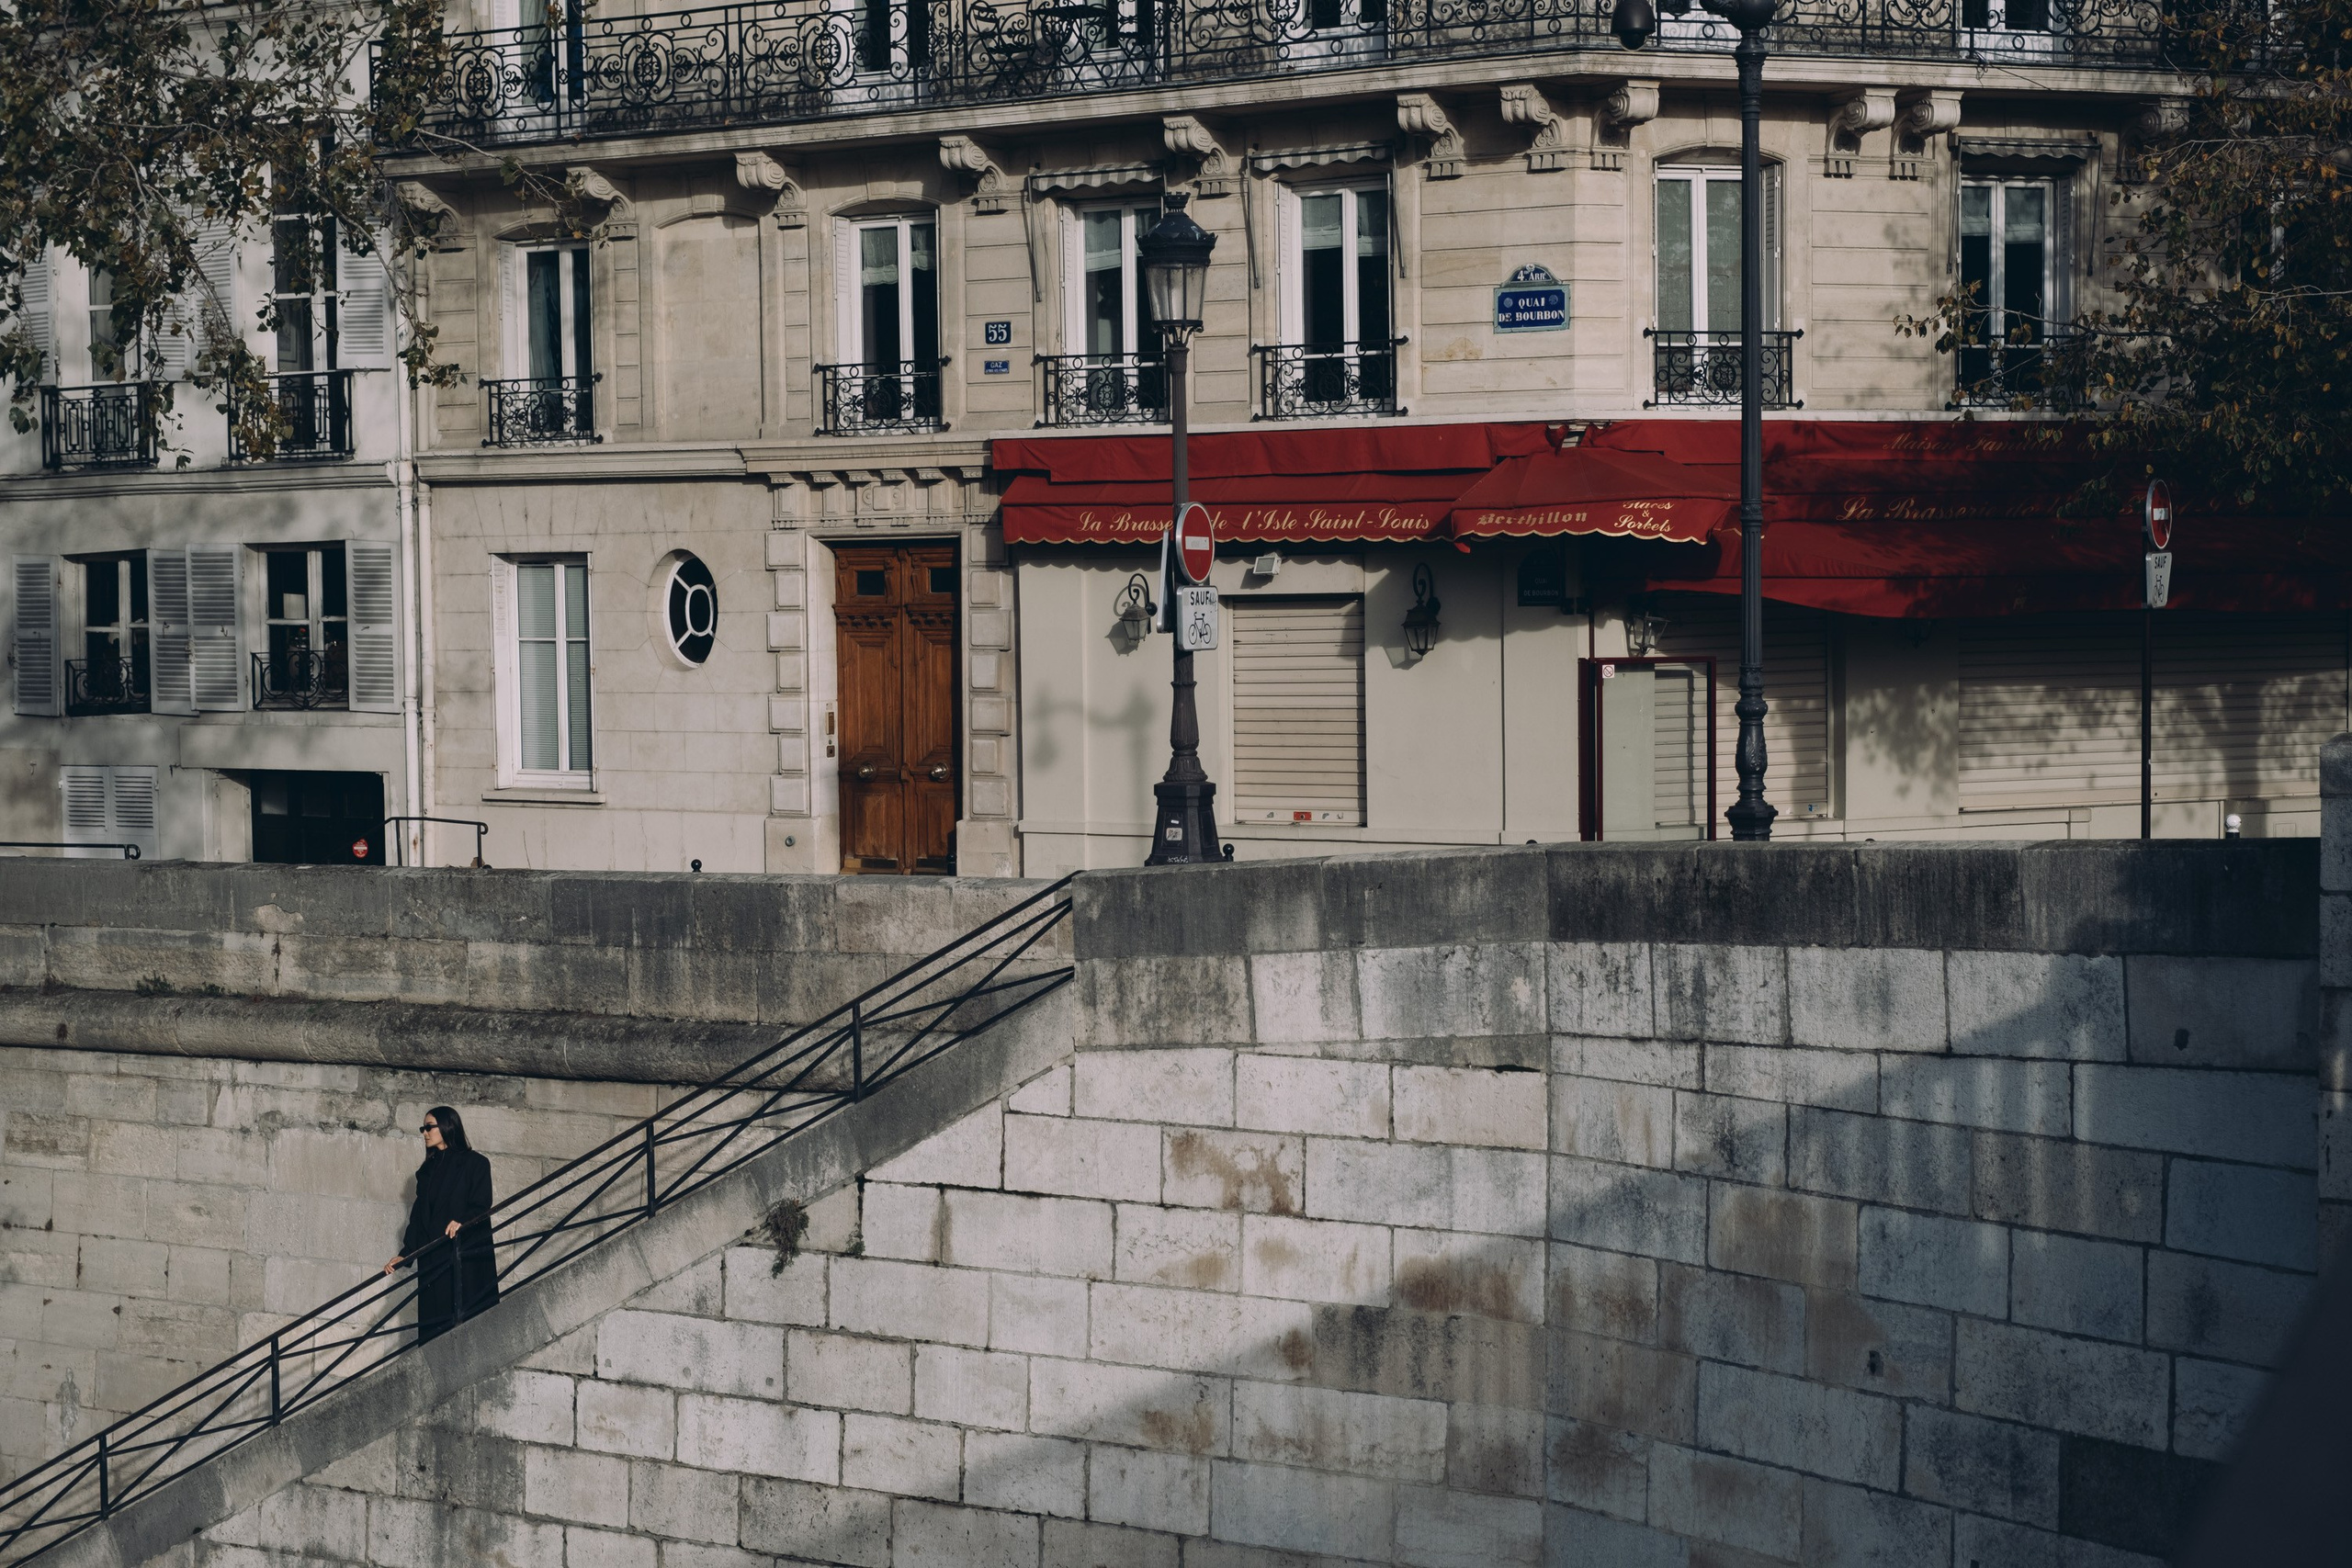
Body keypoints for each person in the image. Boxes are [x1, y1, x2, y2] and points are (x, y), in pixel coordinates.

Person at [382, 1105, 499, 1342]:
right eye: (423, 1128)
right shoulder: (427, 1170)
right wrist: (406, 1254)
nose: (424, 1133)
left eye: (429, 1127)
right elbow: (419, 1217)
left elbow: (481, 1204)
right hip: (434, 1258)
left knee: (462, 1326)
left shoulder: (476, 1163)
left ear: (447, 1126)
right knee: (433, 1328)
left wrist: (462, 1222)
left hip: (462, 1256)